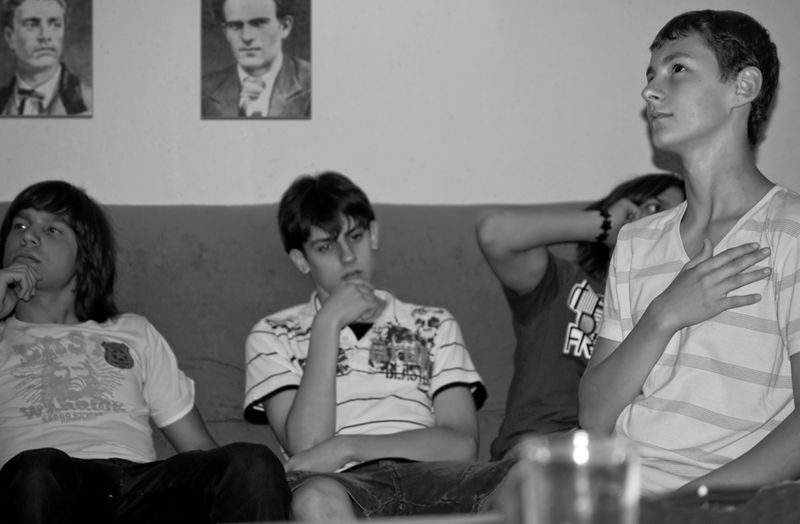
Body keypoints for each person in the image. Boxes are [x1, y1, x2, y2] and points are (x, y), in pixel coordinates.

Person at [578, 9, 800, 495]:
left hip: (725, 501)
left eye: (677, 68)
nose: (650, 91)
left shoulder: (790, 231)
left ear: (743, 86)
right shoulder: (638, 240)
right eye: (650, 75)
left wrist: (685, 506)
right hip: (619, 489)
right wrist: (664, 315)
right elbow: (593, 415)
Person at [0, 180, 291, 523]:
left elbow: (197, 447)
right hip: (48, 484)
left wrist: (238, 479)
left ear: (84, 256)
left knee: (251, 462)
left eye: (51, 229)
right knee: (36, 469)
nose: (28, 237)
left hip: (143, 490)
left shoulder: (134, 331)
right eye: (20, 226)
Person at [244, 171, 513, 520]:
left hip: (438, 476)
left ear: (373, 234)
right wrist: (328, 323)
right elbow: (307, 448)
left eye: (355, 237)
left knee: (529, 477)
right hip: (342, 485)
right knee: (314, 500)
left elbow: (462, 445)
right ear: (300, 259)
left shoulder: (433, 323)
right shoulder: (272, 335)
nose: (347, 257)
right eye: (326, 246)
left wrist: (348, 447)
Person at [476, 173, 684, 461]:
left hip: (633, 461)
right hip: (536, 455)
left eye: (679, 216)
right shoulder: (565, 283)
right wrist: (605, 223)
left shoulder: (680, 312)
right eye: (653, 207)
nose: (661, 221)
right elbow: (493, 232)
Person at [202, 0, 310, 119]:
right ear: (226, 31)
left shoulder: (316, 83)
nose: (246, 37)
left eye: (258, 23)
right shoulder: (202, 90)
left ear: (285, 27)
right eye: (235, 26)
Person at [0, 0, 91, 116]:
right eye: (32, 25)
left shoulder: (91, 104)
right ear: (9, 37)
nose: (45, 36)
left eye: (55, 24)